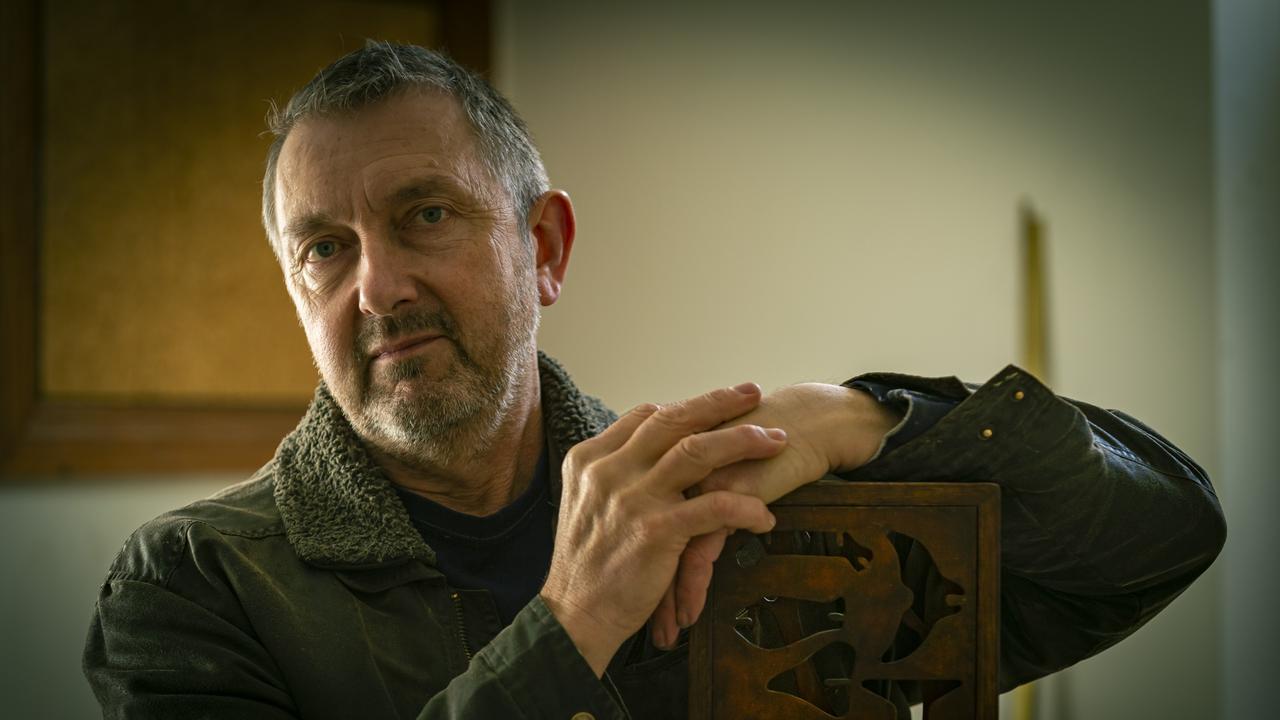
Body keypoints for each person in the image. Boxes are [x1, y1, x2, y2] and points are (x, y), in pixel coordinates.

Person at [83, 42, 1226, 719]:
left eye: (424, 215)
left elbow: (1157, 539)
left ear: (544, 251)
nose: (374, 287)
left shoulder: (726, 503)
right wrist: (570, 626)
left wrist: (864, 412)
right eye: (322, 248)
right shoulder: (190, 586)